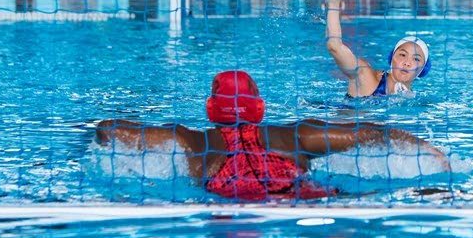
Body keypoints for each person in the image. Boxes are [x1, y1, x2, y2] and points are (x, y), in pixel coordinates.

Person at [95, 70, 448, 201]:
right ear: (259, 107)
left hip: (226, 196)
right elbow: (372, 133)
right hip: (298, 192)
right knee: (358, 196)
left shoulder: (192, 141)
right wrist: (431, 150)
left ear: (210, 107)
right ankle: (430, 193)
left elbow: (110, 131)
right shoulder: (296, 134)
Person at [324, 0, 431, 98]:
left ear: (423, 69)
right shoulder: (366, 76)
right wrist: (333, 2)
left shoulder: (415, 101)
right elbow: (334, 47)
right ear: (392, 58)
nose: (407, 63)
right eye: (402, 55)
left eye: (416, 59)